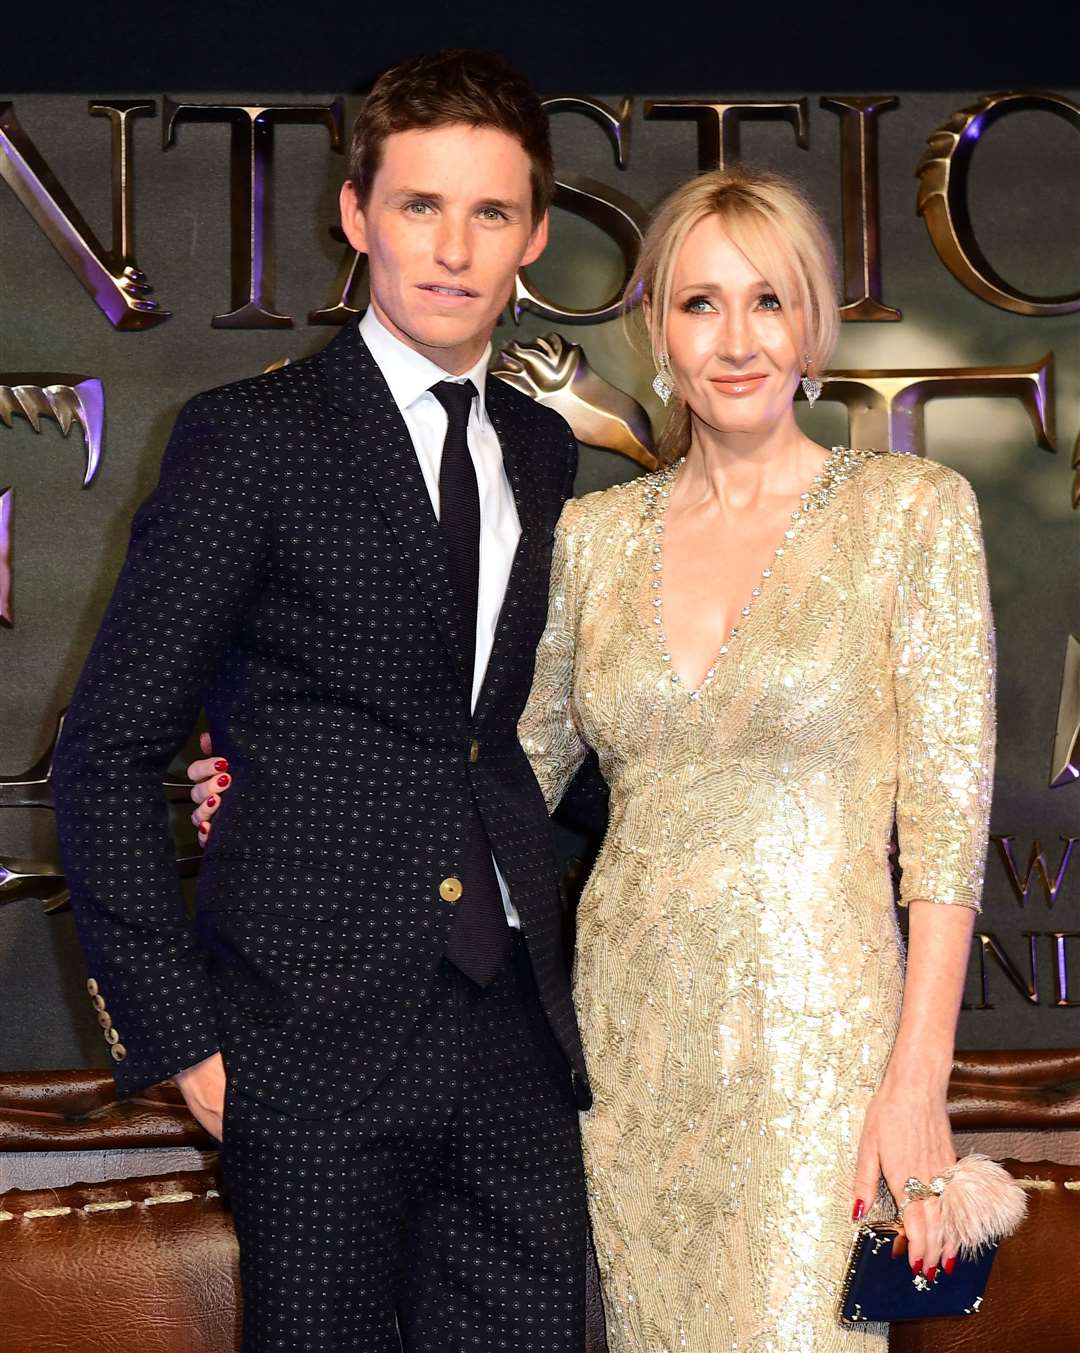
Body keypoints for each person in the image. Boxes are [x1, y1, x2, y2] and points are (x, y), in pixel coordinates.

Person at [196, 166, 995, 1352]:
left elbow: (946, 818)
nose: (736, 340)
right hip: (624, 1039)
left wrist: (916, 1078)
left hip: (819, 1042)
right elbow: (482, 765)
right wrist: (280, 780)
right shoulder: (594, 539)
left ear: (815, 324)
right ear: (657, 329)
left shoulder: (911, 514)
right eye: (701, 304)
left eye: (770, 302)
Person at [54, 48, 607, 1353]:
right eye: (420, 205)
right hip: (308, 1049)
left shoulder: (544, 449)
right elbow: (113, 749)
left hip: (516, 1048)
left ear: (533, 235)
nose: (453, 248)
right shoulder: (252, 440)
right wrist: (185, 1042)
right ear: (355, 216)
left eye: (489, 213)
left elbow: (518, 745)